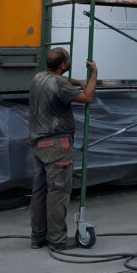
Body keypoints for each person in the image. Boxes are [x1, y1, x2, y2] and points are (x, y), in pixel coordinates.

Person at [28, 47, 98, 250]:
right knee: (58, 193)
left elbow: (62, 84)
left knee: (40, 192)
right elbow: (87, 97)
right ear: (63, 65)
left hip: (37, 144)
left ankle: (38, 237)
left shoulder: (38, 78)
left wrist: (75, 82)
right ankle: (57, 240)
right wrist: (94, 74)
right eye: (67, 60)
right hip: (57, 146)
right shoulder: (59, 83)